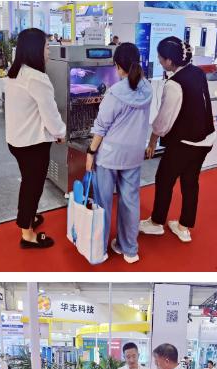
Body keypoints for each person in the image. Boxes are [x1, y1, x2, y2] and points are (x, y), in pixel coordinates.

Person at [140, 37, 215, 244]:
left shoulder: (174, 84)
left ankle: (156, 222)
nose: (159, 61)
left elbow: (164, 121)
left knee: (164, 179)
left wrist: (152, 140)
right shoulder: (197, 72)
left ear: (170, 61)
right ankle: (184, 227)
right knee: (190, 182)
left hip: (184, 142)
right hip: (205, 139)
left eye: (160, 58)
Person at [86, 42, 153, 264]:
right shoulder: (147, 89)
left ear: (118, 66)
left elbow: (101, 127)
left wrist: (90, 152)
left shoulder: (115, 93)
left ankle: (99, 249)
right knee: (130, 202)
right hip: (134, 154)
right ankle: (129, 249)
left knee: (103, 203)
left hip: (109, 156)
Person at [5, 28, 66, 249]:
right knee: (33, 187)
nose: (49, 52)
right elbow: (50, 115)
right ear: (35, 50)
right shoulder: (37, 78)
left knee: (28, 183)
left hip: (16, 140)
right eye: (47, 47)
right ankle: (27, 234)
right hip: (32, 144)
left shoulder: (16, 73)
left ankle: (28, 218)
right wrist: (60, 133)